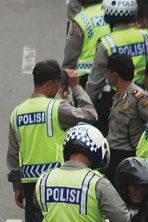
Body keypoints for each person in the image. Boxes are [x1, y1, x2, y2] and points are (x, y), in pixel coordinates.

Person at [7, 59, 96, 222]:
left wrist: (17, 183)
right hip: (57, 182)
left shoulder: (17, 112)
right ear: (53, 83)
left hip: (29, 184)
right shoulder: (57, 108)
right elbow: (90, 115)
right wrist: (77, 87)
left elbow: (14, 153)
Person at [86, 0, 146, 136]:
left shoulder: (106, 43)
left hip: (115, 98)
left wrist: (87, 108)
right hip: (141, 95)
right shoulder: (145, 37)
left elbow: (95, 82)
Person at [103, 53, 148, 183]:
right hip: (112, 156)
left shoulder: (138, 97)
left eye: (108, 71)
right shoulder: (118, 96)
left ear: (114, 75)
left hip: (127, 159)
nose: (106, 75)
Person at [62, 0, 111, 87]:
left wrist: (63, 83)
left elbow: (71, 56)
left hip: (85, 76)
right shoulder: (112, 14)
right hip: (111, 74)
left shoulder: (81, 21)